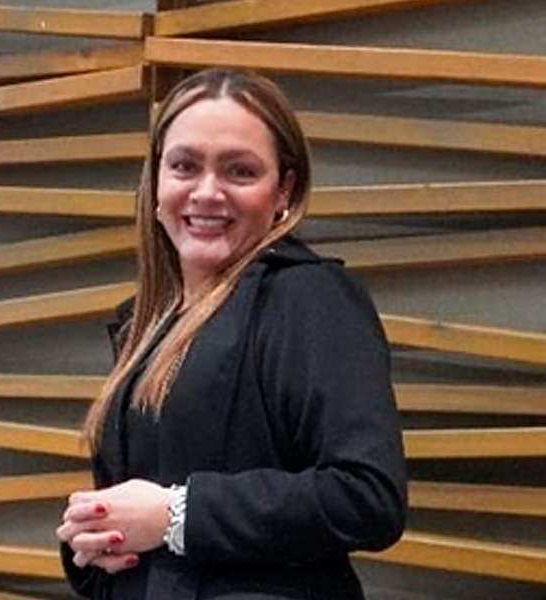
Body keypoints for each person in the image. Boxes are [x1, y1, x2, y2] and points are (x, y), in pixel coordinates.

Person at [57, 68, 407, 600]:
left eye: (239, 171)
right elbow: (144, 512)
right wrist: (95, 535)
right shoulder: (147, 322)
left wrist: (177, 514)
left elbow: (367, 496)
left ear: (284, 190)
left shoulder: (310, 297)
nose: (206, 192)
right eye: (184, 166)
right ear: (155, 181)